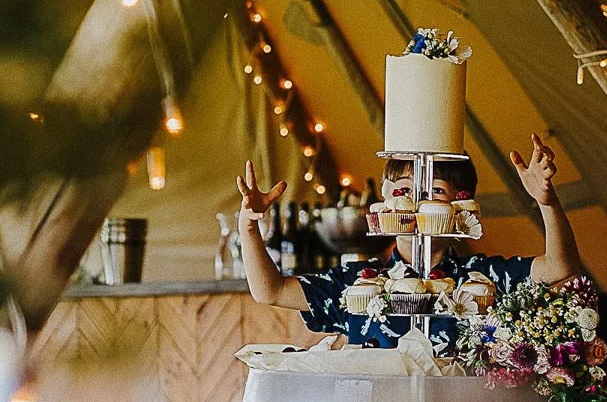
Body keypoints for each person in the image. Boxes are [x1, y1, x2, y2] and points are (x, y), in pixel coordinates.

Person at [236, 134, 581, 351]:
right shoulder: (358, 283)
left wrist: (547, 202)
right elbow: (270, 291)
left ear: (459, 208)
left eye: (434, 193)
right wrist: (249, 229)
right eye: (403, 191)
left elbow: (560, 266)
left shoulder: (482, 279)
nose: (415, 205)